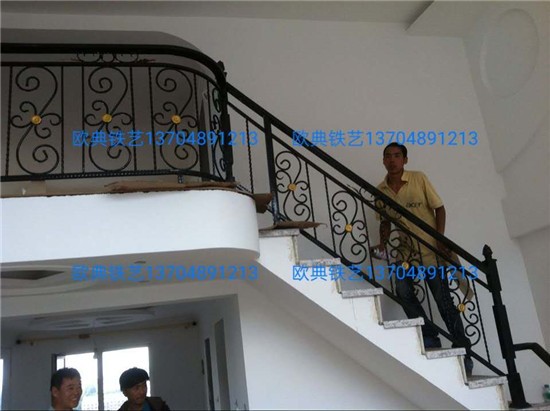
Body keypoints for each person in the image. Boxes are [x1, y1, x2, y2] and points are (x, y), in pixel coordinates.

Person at [373, 142, 474, 375]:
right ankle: (429, 335)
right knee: (402, 289)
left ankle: (463, 350)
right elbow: (385, 221)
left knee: (443, 300)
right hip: (406, 251)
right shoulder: (381, 190)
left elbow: (440, 208)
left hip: (430, 248)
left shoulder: (418, 179)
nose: (392, 160)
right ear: (383, 161)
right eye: (388, 156)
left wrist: (440, 239)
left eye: (397, 155)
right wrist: (382, 242)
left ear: (405, 160)